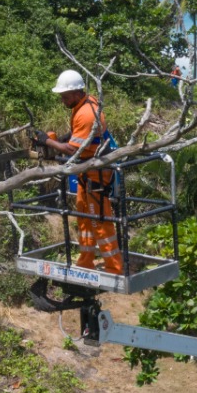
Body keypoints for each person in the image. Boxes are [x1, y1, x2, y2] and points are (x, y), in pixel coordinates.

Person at [33, 69, 124, 275]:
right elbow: (78, 137)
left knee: (100, 221)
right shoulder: (84, 103)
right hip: (86, 172)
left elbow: (74, 149)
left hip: (96, 174)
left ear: (76, 92)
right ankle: (85, 261)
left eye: (65, 97)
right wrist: (62, 138)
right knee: (84, 216)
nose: (63, 101)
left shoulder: (86, 114)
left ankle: (114, 267)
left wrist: (46, 141)